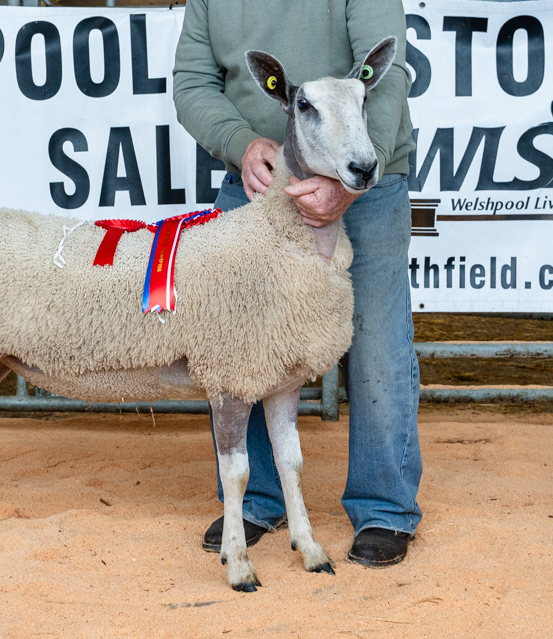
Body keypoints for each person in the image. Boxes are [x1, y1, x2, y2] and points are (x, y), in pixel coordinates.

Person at [172, 0, 422, 567]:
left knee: (375, 340)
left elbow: (386, 73)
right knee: (241, 347)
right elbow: (192, 79)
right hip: (263, 182)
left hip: (364, 175)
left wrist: (356, 176)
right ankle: (258, 498)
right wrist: (241, 142)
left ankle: (384, 508)